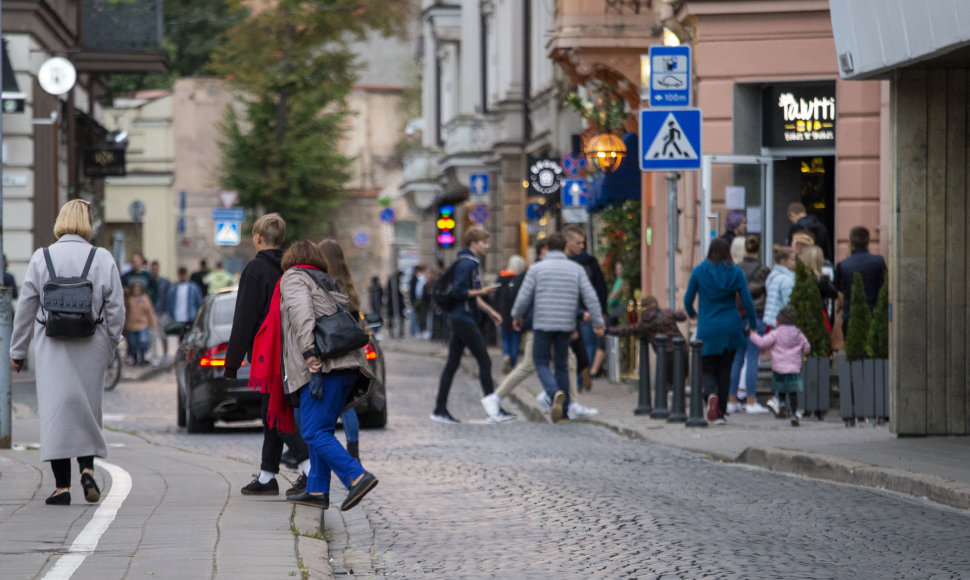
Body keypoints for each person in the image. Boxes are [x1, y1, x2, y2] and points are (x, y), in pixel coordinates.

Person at [10, 199, 125, 505]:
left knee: (55, 411)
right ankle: (87, 469)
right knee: (87, 407)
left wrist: (18, 350)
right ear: (88, 223)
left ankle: (62, 487)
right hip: (92, 342)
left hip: (52, 345)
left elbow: (25, 308)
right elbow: (116, 308)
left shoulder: (41, 257)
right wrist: (111, 342)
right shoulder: (102, 258)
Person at [272, 240, 379, 511]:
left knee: (312, 429)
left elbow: (301, 315)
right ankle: (317, 489)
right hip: (346, 366)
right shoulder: (325, 280)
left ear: (290, 259)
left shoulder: (294, 278)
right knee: (323, 428)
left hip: (323, 366)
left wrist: (309, 352)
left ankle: (356, 476)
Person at [223, 213, 311, 498]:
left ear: (258, 237)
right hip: (292, 348)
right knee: (273, 407)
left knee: (274, 412)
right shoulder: (291, 268)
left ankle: (310, 469)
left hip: (268, 350)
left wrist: (232, 362)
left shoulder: (255, 270)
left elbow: (244, 318)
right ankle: (267, 475)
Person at [490, 239, 597, 421]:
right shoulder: (558, 268)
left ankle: (562, 401)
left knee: (552, 362)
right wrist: (596, 320)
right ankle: (558, 401)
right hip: (553, 323)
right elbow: (584, 296)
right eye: (575, 242)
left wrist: (516, 315)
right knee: (548, 363)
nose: (579, 246)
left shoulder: (540, 268)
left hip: (544, 322)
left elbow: (532, 296)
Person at [431, 226, 510, 424]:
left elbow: (470, 295)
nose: (487, 246)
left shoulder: (469, 262)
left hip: (462, 317)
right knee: (484, 360)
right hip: (463, 319)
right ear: (474, 244)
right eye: (484, 242)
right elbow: (459, 292)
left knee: (452, 364)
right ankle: (493, 411)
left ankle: (440, 409)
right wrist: (483, 292)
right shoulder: (468, 264)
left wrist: (491, 312)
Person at [684, 237, 757, 425]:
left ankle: (710, 395)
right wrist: (752, 322)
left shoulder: (700, 271)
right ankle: (721, 413)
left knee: (707, 367)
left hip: (708, 325)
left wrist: (693, 313)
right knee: (725, 369)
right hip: (731, 326)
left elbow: (687, 299)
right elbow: (747, 300)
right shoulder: (736, 272)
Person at [319, 239, 366, 462]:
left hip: (331, 351)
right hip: (351, 352)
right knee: (347, 405)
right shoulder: (349, 284)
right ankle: (353, 451)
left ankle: (324, 450)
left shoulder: (325, 284)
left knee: (323, 405)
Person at [608, 295, 688, 396]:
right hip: (680, 350)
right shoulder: (667, 313)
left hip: (664, 354)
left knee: (666, 381)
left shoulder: (645, 323)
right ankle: (678, 404)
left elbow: (627, 330)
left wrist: (608, 330)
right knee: (680, 379)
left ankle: (666, 403)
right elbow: (682, 317)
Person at [728, 236, 771, 414]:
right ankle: (751, 401)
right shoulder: (763, 270)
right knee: (752, 358)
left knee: (737, 359)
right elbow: (764, 293)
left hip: (737, 316)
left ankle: (732, 400)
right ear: (759, 248)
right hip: (756, 316)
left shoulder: (735, 269)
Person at [749, 306, 810, 426]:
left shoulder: (776, 333)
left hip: (779, 368)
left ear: (779, 320)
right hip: (793, 368)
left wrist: (752, 335)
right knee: (793, 393)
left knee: (781, 389)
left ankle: (781, 403)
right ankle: (793, 414)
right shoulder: (798, 333)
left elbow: (763, 343)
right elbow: (807, 347)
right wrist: (804, 351)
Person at [563, 225, 608, 390]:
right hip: (585, 310)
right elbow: (599, 289)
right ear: (568, 242)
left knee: (575, 347)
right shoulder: (590, 262)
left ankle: (576, 380)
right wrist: (601, 313)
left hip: (575, 310)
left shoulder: (567, 262)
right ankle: (582, 376)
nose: (582, 246)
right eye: (579, 243)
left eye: (583, 243)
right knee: (587, 345)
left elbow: (598, 289)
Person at [833, 225, 887, 338]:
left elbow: (838, 290)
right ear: (868, 242)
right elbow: (884, 285)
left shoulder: (842, 265)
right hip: (874, 313)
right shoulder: (878, 261)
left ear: (851, 243)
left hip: (850, 315)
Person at [494, 255, 526, 373]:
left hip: (502, 313)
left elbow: (495, 297)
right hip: (515, 313)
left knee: (505, 338)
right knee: (515, 339)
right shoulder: (519, 279)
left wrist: (496, 311)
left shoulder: (501, 278)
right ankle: (512, 363)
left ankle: (506, 356)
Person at [800, 244, 838, 328]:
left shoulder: (798, 278)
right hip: (819, 317)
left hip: (801, 317)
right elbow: (834, 294)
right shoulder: (822, 280)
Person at [125, 280, 157, 366]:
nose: (136, 291)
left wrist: (153, 322)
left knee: (143, 342)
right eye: (135, 289)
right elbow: (126, 311)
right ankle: (135, 358)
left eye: (138, 289)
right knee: (132, 343)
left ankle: (143, 357)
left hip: (143, 324)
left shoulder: (145, 298)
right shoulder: (129, 299)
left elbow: (150, 311)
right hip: (131, 325)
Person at [167, 267, 203, 335]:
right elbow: (169, 303)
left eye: (184, 274)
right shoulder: (173, 289)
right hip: (178, 318)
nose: (183, 277)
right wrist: (171, 316)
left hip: (190, 318)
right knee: (181, 339)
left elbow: (199, 302)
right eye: (181, 274)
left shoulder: (193, 287)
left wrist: (198, 316)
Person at [149, 260, 172, 365]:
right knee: (153, 336)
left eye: (156, 268)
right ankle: (155, 357)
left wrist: (168, 313)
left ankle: (165, 353)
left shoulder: (165, 282)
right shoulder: (149, 282)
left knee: (163, 336)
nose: (154, 270)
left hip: (163, 312)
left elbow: (169, 298)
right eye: (153, 269)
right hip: (152, 313)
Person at [606, 262, 625, 327]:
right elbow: (613, 292)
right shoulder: (618, 279)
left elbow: (616, 293)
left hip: (619, 307)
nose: (617, 270)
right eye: (616, 268)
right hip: (613, 308)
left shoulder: (623, 280)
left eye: (619, 268)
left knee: (610, 325)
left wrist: (610, 297)